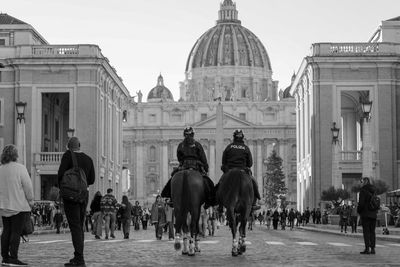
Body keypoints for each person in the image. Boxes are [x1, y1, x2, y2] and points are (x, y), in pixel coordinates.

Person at [58, 137, 95, 267]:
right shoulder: (88, 159)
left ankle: (79, 258)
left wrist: (65, 189)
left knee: (75, 227)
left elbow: (60, 174)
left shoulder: (68, 156)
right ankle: (78, 256)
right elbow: (92, 179)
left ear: (68, 146)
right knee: (79, 225)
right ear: (79, 145)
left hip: (71, 196)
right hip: (84, 195)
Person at [161, 127, 216, 209]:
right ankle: (209, 200)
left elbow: (179, 158)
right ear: (192, 134)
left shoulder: (180, 145)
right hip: (195, 166)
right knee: (209, 183)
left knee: (172, 179)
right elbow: (203, 158)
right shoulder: (197, 144)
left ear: (184, 135)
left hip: (184, 166)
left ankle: (171, 198)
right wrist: (206, 169)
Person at [0, 144, 34, 266]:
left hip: (4, 206)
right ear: (15, 155)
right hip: (18, 205)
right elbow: (28, 186)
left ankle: (4, 257)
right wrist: (30, 200)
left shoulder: (1, 169)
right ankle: (13, 257)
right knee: (16, 232)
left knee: (6, 231)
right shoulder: (20, 168)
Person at [216, 129, 261, 212]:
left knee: (220, 183)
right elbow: (250, 163)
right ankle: (254, 202)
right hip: (243, 170)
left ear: (234, 137)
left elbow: (223, 161)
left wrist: (226, 168)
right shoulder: (246, 148)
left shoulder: (229, 147)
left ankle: (220, 205)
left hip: (230, 170)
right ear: (242, 137)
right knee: (254, 183)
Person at [357, 177, 378, 255]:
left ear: (365, 182)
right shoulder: (374, 190)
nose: (361, 183)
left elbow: (361, 203)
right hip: (373, 214)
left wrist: (359, 211)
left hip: (366, 214)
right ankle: (373, 249)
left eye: (361, 181)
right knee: (372, 232)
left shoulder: (363, 190)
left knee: (366, 232)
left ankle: (367, 249)